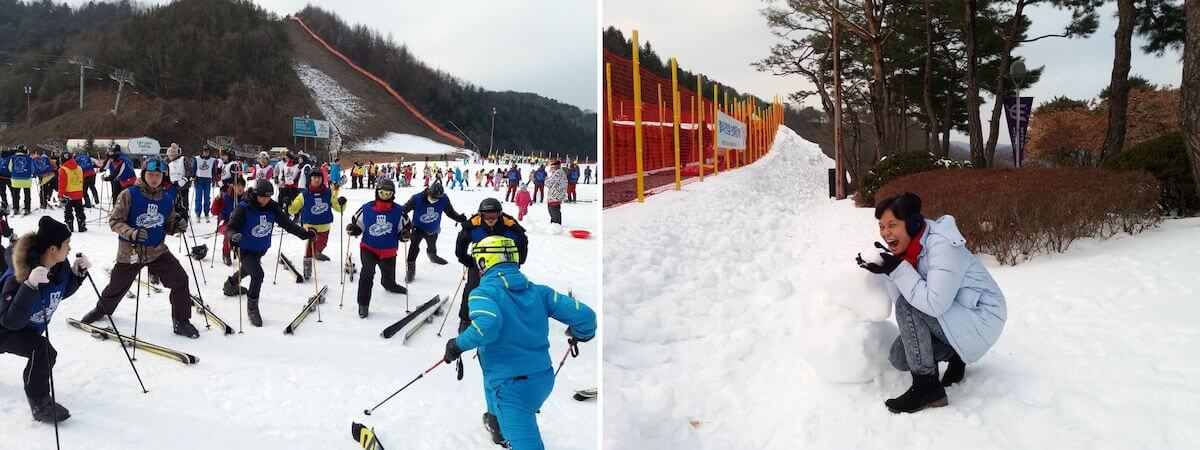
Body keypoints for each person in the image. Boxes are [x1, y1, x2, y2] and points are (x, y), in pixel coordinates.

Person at [856, 192, 1007, 414]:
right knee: (899, 357)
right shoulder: (910, 248)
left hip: (981, 316)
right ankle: (955, 354)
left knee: (911, 306)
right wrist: (889, 270)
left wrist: (897, 268)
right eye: (881, 226)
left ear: (913, 224)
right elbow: (901, 302)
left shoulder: (942, 245)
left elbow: (933, 304)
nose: (885, 233)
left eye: (892, 225)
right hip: (956, 313)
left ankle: (927, 387)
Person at [443, 235, 595, 449]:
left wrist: (457, 345)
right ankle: (497, 428)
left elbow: (487, 326)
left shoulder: (483, 293)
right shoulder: (540, 291)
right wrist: (582, 333)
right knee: (491, 381)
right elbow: (586, 316)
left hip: (513, 389)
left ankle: (505, 431)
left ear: (483, 262)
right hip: (541, 377)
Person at [80, 157, 202, 338]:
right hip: (131, 251)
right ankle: (101, 310)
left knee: (180, 279)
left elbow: (167, 225)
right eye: (151, 174)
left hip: (157, 251)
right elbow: (114, 221)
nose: (154, 178)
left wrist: (177, 226)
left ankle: (181, 321)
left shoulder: (167, 199)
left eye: (158, 175)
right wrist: (132, 233)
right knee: (117, 285)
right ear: (144, 174)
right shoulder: (129, 194)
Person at [0, 217, 89, 423]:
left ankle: (40, 401)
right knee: (42, 350)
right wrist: (29, 287)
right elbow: (10, 321)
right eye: (66, 244)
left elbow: (58, 294)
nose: (69, 248)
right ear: (51, 248)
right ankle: (40, 404)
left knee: (43, 352)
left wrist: (77, 275)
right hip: (4, 329)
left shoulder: (58, 268)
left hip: (27, 329)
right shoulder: (17, 277)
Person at [221, 179, 315, 327]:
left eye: (268, 197)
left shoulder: (272, 207)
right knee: (258, 274)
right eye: (262, 197)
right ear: (256, 194)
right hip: (244, 249)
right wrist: (232, 236)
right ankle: (252, 308)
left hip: (260, 249)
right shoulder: (243, 207)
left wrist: (305, 234)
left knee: (249, 268)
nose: (265, 200)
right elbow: (230, 228)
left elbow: (288, 224)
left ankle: (231, 284)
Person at [454, 198, 528, 334]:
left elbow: (522, 241)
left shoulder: (510, 225)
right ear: (481, 215)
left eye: (494, 216)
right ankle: (465, 319)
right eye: (487, 216)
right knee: (472, 286)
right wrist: (467, 261)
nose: (491, 219)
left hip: (504, 262)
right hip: (480, 263)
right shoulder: (473, 225)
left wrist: (519, 261)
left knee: (509, 287)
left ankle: (511, 315)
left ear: (500, 214)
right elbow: (461, 244)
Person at [345, 178, 410, 319]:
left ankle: (389, 285)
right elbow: (359, 226)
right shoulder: (366, 208)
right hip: (369, 248)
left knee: (388, 276)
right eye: (382, 192)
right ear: (377, 192)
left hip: (389, 251)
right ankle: (363, 304)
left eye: (388, 192)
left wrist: (404, 235)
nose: (385, 195)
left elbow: (403, 229)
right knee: (367, 272)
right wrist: (354, 229)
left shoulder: (399, 211)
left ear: (393, 194)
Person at [401, 182, 467, 282]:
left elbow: (450, 212)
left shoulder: (444, 199)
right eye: (432, 197)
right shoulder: (417, 198)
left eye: (437, 199)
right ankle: (411, 268)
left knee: (432, 244)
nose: (434, 200)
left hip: (433, 228)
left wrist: (459, 218)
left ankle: (433, 256)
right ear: (428, 192)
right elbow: (403, 210)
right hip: (418, 227)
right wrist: (404, 226)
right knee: (414, 247)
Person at [288, 171, 346, 279]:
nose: (317, 180)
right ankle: (307, 266)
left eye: (319, 177)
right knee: (311, 243)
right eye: (314, 177)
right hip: (310, 224)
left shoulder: (329, 193)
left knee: (322, 244)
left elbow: (338, 208)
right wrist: (289, 204)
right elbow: (293, 209)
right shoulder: (304, 194)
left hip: (325, 225)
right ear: (310, 179)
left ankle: (318, 252)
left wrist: (342, 203)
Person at [211, 176, 246, 267]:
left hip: (239, 223)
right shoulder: (226, 196)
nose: (240, 188)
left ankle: (245, 253)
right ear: (233, 186)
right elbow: (214, 211)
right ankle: (226, 253)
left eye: (242, 186)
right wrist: (218, 199)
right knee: (229, 232)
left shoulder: (246, 198)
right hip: (225, 222)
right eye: (238, 185)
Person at [56, 151, 87, 232]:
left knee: (68, 211)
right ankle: (82, 225)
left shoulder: (63, 169)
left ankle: (69, 226)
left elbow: (62, 183)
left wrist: (60, 195)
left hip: (68, 194)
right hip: (78, 193)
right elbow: (82, 180)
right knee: (79, 211)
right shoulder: (79, 168)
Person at [193, 145, 218, 222]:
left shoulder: (212, 160)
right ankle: (198, 214)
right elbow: (193, 168)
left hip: (207, 180)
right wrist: (193, 176)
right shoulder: (197, 159)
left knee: (207, 198)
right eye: (204, 151)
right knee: (198, 198)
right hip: (199, 180)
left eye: (207, 151)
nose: (206, 153)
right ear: (202, 151)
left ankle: (206, 213)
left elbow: (214, 171)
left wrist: (214, 180)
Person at [166, 143, 193, 211]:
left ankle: (185, 213)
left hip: (183, 184)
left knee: (184, 203)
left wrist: (185, 179)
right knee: (174, 202)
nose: (169, 157)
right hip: (173, 185)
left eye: (170, 155)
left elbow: (189, 170)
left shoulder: (183, 159)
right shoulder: (170, 164)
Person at [8, 146, 33, 215]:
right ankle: (27, 208)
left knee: (15, 195)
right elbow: (32, 169)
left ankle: (16, 208)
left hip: (15, 179)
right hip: (26, 180)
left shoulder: (12, 158)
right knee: (27, 195)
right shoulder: (29, 159)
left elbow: (10, 168)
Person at [545, 160, 567, 225]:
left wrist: (546, 179)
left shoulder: (557, 173)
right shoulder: (560, 173)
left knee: (553, 211)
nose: (550, 169)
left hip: (555, 196)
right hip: (557, 195)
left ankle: (556, 225)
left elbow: (548, 183)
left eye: (552, 167)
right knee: (554, 211)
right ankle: (554, 224)